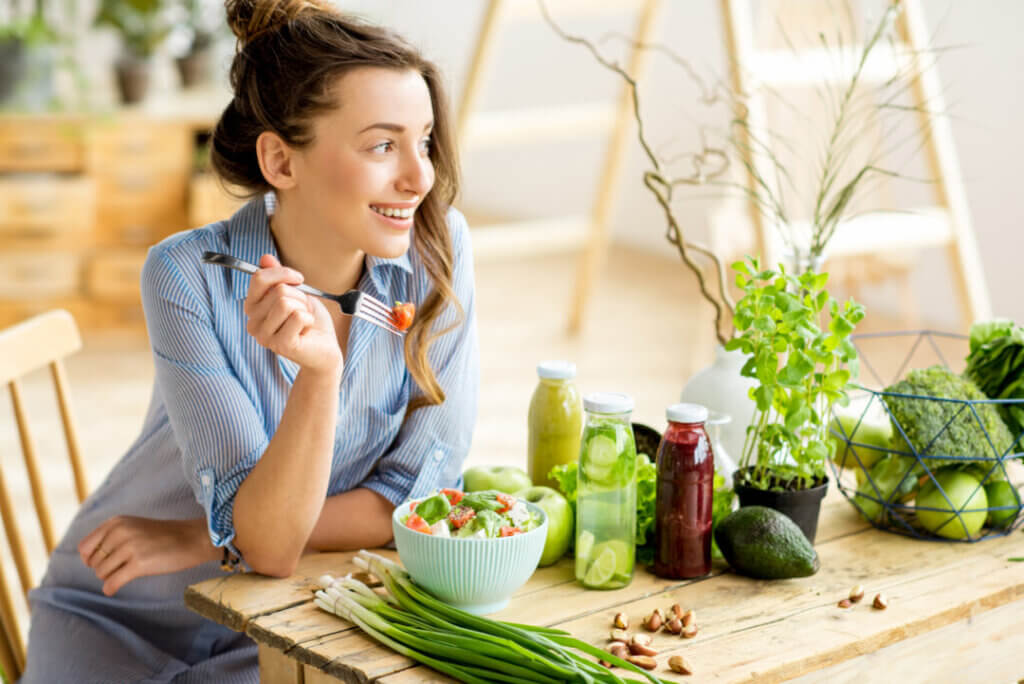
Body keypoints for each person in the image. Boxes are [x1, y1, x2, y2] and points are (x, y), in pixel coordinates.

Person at [21, 1, 479, 681]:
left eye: (424, 140)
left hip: (281, 615)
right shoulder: (186, 275)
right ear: (280, 161)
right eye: (383, 144)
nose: (421, 177)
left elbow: (416, 498)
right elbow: (268, 542)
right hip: (119, 612)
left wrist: (204, 537)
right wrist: (319, 380)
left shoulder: (438, 256)